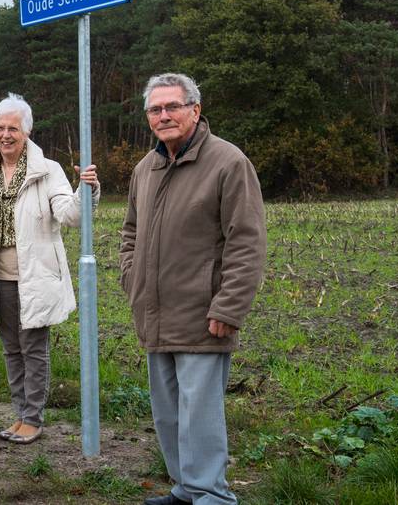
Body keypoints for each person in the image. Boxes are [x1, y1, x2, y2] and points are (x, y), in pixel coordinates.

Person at [120, 73, 266, 505]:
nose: (163, 115)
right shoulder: (145, 169)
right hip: (154, 312)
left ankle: (211, 496)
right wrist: (132, 279)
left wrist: (229, 307)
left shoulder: (228, 162)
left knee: (199, 416)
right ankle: (186, 490)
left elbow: (247, 241)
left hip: (204, 315)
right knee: (168, 414)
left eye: (173, 106)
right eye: (155, 109)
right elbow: (130, 234)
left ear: (195, 110)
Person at [0, 93, 99, 445]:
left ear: (26, 132)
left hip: (35, 279)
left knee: (33, 350)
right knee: (11, 350)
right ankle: (20, 414)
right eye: (0, 128)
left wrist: (86, 191)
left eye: (13, 129)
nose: (5, 135)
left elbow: (70, 216)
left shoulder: (47, 170)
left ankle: (33, 419)